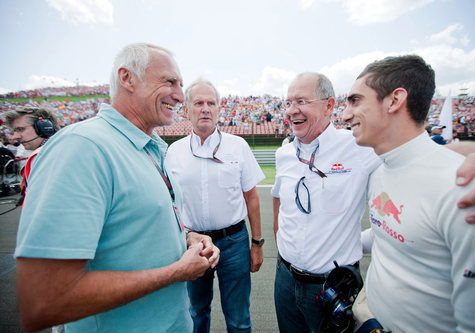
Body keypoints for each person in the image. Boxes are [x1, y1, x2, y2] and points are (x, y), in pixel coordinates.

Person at [14, 43, 219, 332]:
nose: (178, 94)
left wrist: (188, 238)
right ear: (127, 78)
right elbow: (43, 301)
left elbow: (135, 228)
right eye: (170, 81)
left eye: (181, 84)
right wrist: (176, 272)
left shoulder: (152, 148)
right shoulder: (82, 148)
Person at [343, 55, 475, 332]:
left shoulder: (466, 187)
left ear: (394, 100)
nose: (345, 114)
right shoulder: (380, 171)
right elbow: (388, 232)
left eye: (355, 101)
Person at [271, 72, 381, 332]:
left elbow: (411, 154)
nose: (291, 110)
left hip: (332, 286)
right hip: (285, 279)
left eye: (301, 101)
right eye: (288, 103)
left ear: (329, 105)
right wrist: (281, 241)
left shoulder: (359, 147)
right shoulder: (284, 153)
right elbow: (278, 197)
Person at [166, 79, 264, 332]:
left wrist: (257, 243)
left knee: (239, 318)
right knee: (197, 313)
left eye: (211, 103)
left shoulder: (238, 147)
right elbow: (169, 203)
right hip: (194, 245)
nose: (206, 108)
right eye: (199, 103)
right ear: (187, 109)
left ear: (219, 109)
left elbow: (252, 198)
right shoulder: (174, 152)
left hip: (234, 242)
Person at [4, 107, 59, 205]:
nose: (16, 136)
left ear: (44, 127)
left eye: (20, 129)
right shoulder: (51, 152)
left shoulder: (49, 156)